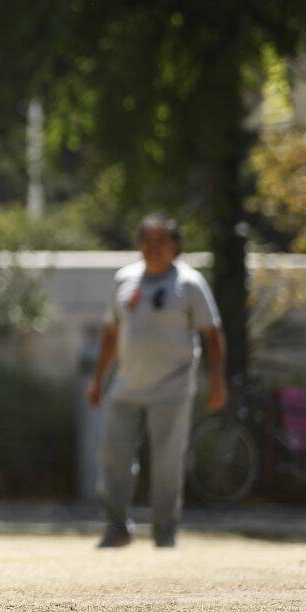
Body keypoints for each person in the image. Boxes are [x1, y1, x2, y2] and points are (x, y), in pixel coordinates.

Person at [86, 213, 226, 549]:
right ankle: (116, 527)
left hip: (172, 386)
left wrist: (218, 381)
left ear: (176, 246)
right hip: (126, 385)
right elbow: (110, 331)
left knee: (167, 461)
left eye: (161, 241)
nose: (153, 248)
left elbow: (212, 334)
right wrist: (97, 379)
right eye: (147, 241)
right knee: (113, 456)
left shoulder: (190, 283)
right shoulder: (124, 280)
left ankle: (164, 531)